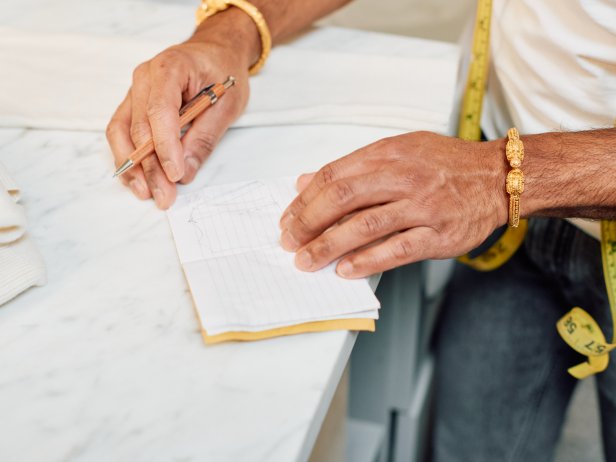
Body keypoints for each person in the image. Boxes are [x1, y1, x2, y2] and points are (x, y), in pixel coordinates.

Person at [106, 1, 616, 460]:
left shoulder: (495, 179)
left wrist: (500, 178)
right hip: (510, 211)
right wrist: (235, 29)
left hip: (507, 183)